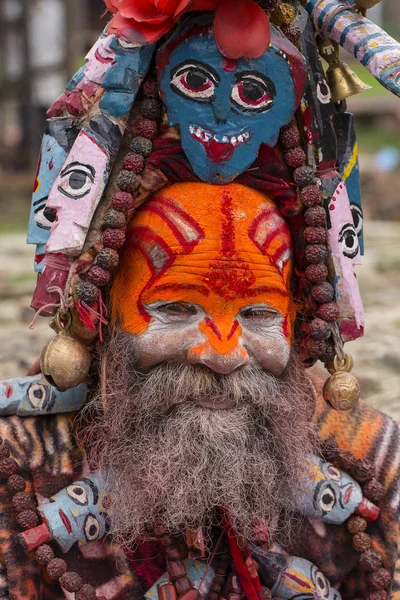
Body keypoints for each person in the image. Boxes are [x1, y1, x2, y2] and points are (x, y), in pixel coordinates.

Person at [1, 1, 400, 599]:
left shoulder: (370, 465)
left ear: (297, 313)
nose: (222, 352)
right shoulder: (18, 475)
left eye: (260, 315)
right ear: (100, 312)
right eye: (177, 309)